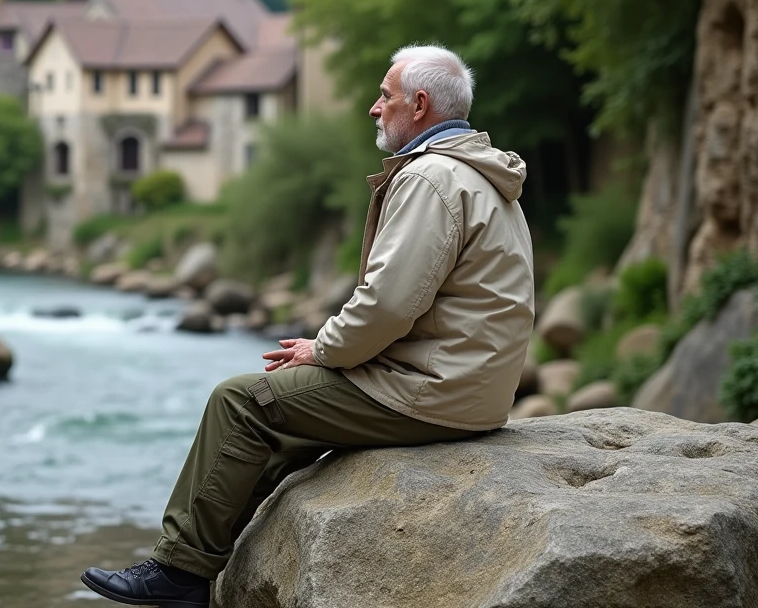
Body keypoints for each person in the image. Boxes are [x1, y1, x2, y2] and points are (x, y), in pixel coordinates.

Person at [80, 44, 536, 608]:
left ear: (419, 105)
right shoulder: (478, 175)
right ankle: (212, 573)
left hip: (433, 390)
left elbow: (390, 305)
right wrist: (332, 350)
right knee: (278, 429)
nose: (374, 108)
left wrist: (324, 350)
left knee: (242, 402)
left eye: (384, 96)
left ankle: (178, 574)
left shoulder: (432, 179)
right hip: (470, 387)